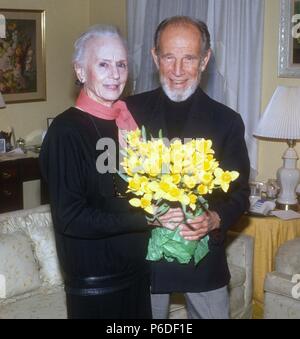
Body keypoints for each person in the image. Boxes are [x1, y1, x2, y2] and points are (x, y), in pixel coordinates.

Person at [125, 16, 250, 319]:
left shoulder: (227, 121)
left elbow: (240, 194)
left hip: (202, 260)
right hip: (144, 259)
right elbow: (114, 185)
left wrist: (215, 218)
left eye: (189, 58)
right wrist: (144, 215)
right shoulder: (128, 112)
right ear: (155, 57)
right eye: (169, 57)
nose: (178, 70)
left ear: (204, 60)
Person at [40, 25, 156, 319]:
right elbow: (71, 218)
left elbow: (122, 192)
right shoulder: (66, 131)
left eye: (121, 64)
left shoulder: (127, 123)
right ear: (80, 71)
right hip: (97, 289)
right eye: (103, 64)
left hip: (138, 275)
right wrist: (143, 218)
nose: (115, 74)